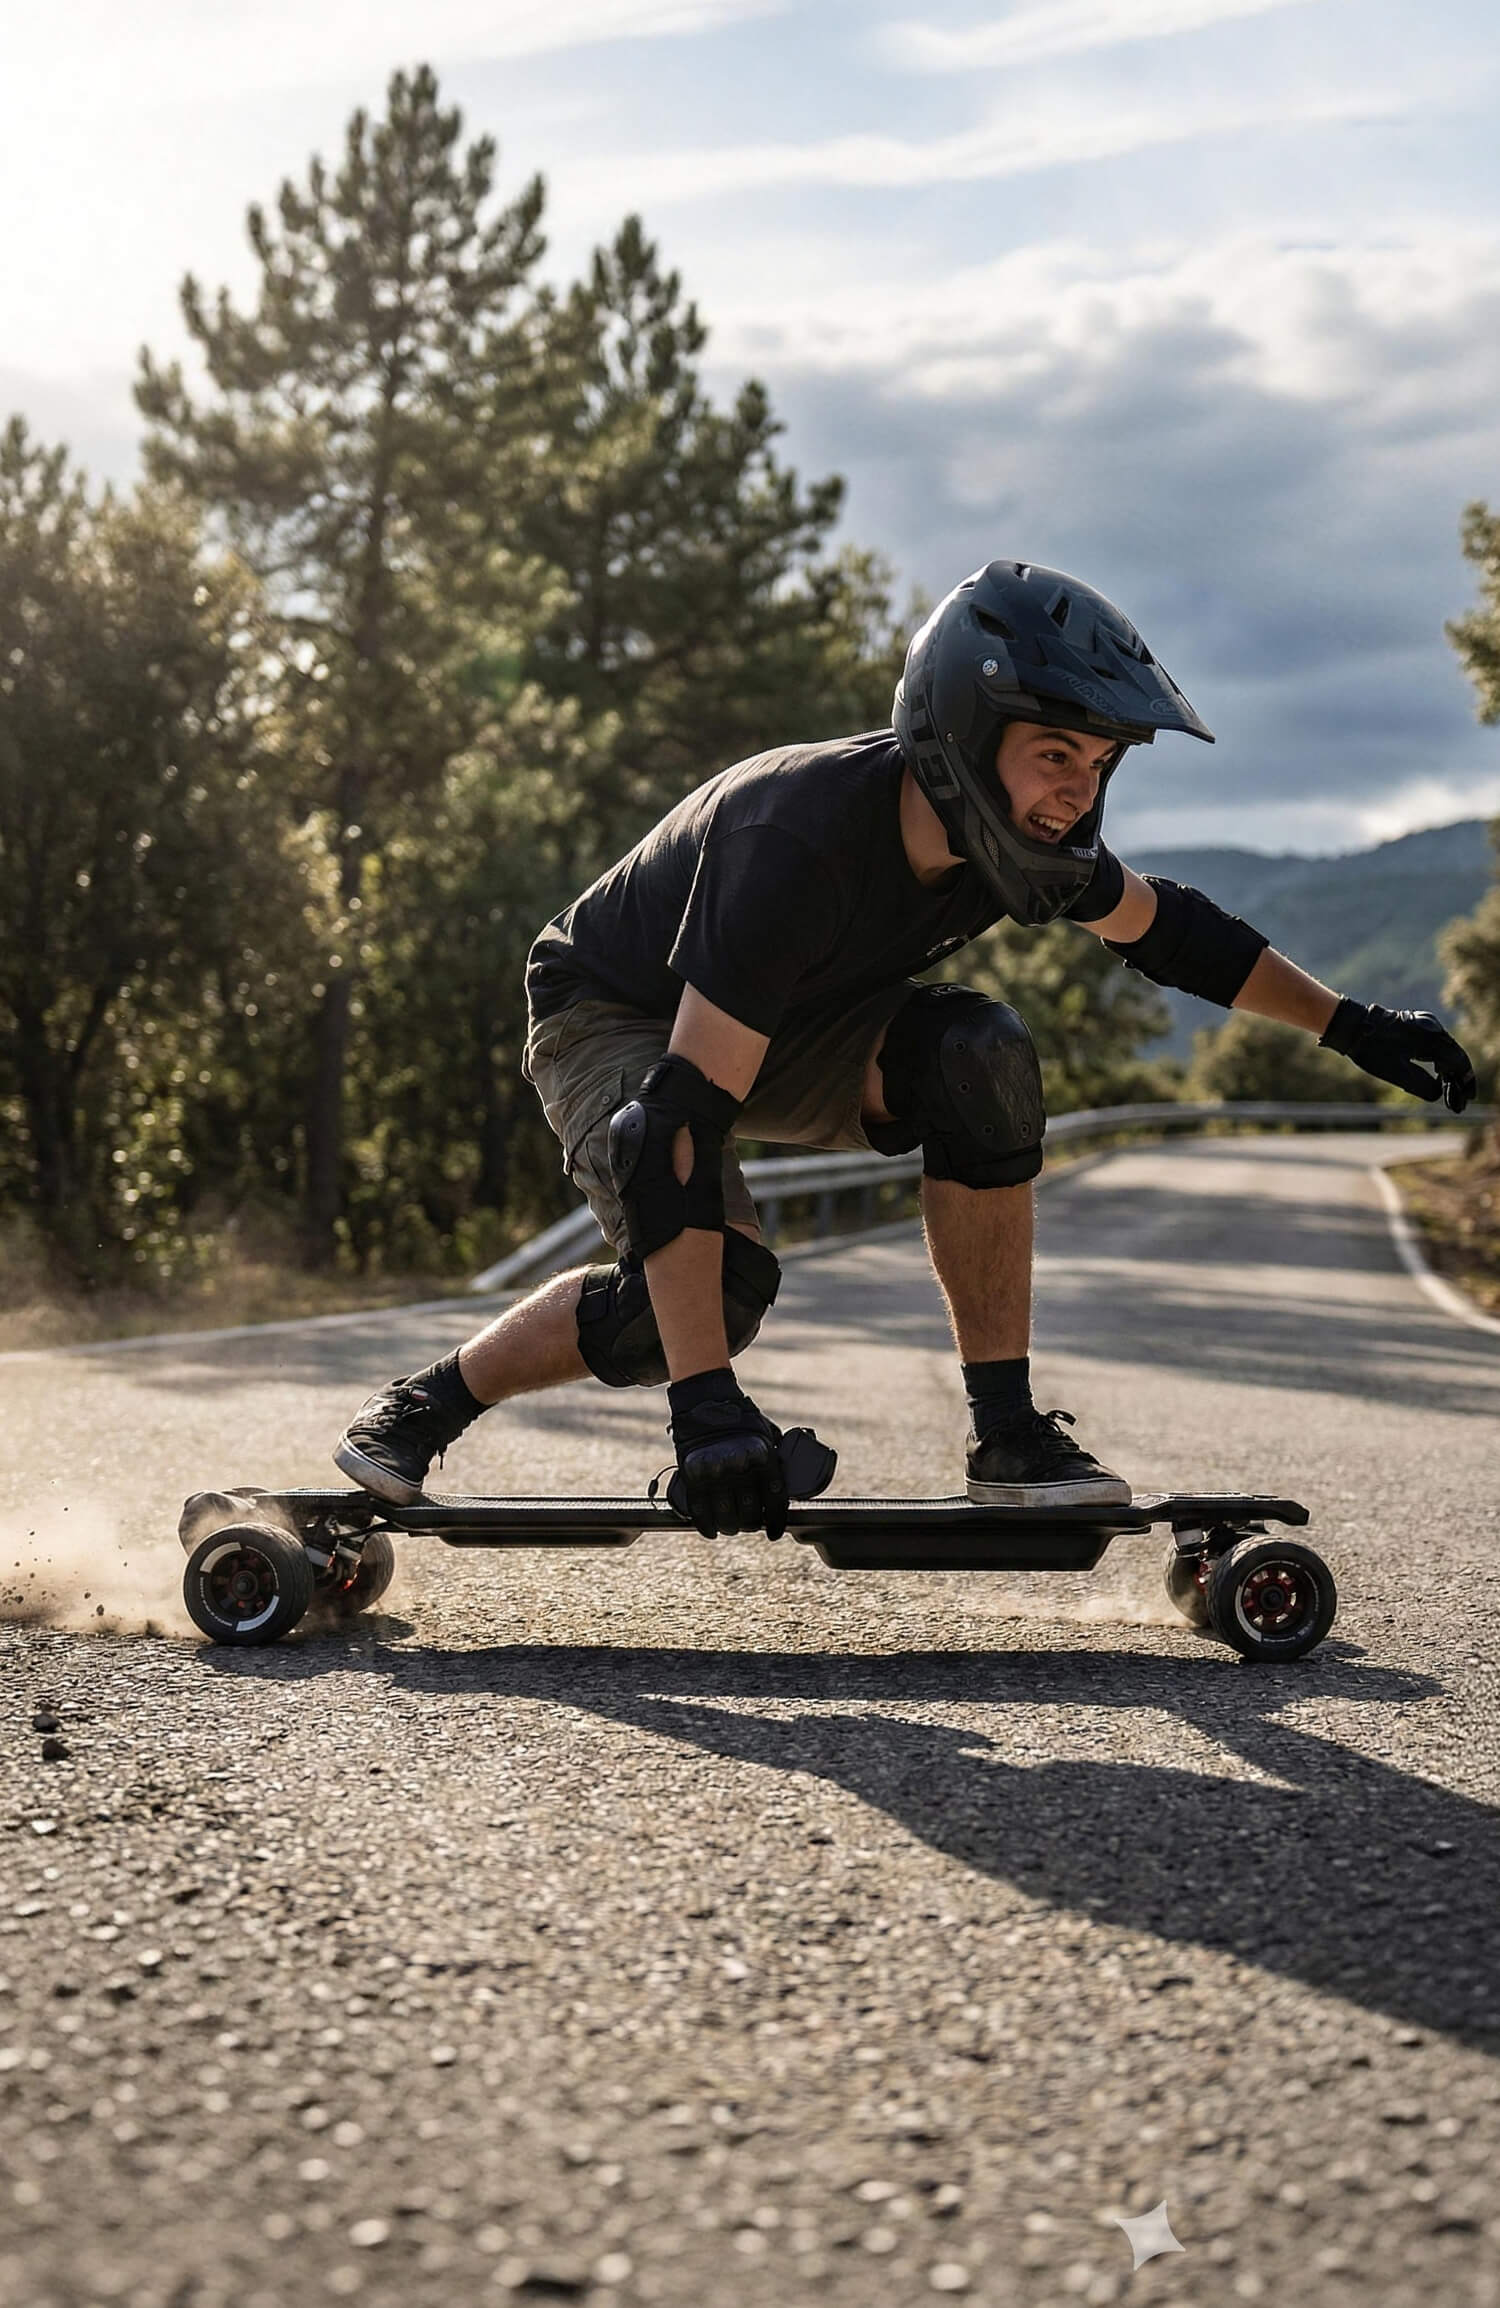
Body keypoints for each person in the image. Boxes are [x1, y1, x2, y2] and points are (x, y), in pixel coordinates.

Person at [333, 560, 1476, 1538]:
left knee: (976, 1055)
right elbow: (671, 1127)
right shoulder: (798, 838)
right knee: (700, 1302)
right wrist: (708, 1411)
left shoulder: (1021, 842)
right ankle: (427, 1404)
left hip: (795, 1020)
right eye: (1055, 756)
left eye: (1100, 766)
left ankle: (1011, 1437)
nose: (1077, 797)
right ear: (967, 739)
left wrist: (1359, 1026)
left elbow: (1179, 935)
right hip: (617, 1010)